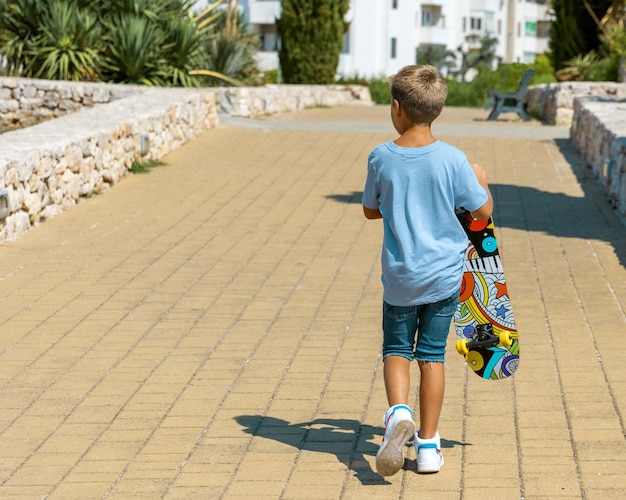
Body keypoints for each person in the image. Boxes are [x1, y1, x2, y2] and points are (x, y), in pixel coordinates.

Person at [362, 65, 493, 477]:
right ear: (438, 108)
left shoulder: (381, 156)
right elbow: (482, 212)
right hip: (443, 279)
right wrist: (482, 181)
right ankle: (430, 448)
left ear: (396, 108)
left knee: (396, 350)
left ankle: (399, 412)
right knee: (432, 357)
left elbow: (370, 210)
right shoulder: (454, 160)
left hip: (401, 278)